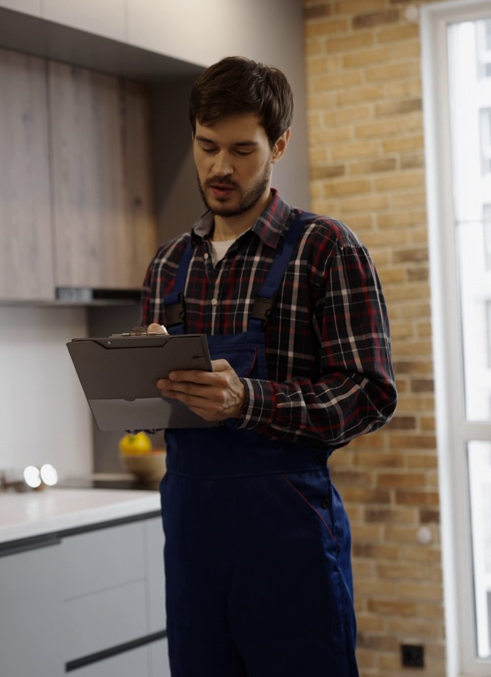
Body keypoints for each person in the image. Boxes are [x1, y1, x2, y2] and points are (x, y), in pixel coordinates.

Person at [142, 56, 397, 676]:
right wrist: (138, 381)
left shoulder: (326, 248)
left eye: (242, 150)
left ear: (278, 145)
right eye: (206, 146)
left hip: (289, 536)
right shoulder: (168, 265)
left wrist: (248, 401)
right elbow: (155, 415)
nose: (220, 167)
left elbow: (369, 393)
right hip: (192, 530)